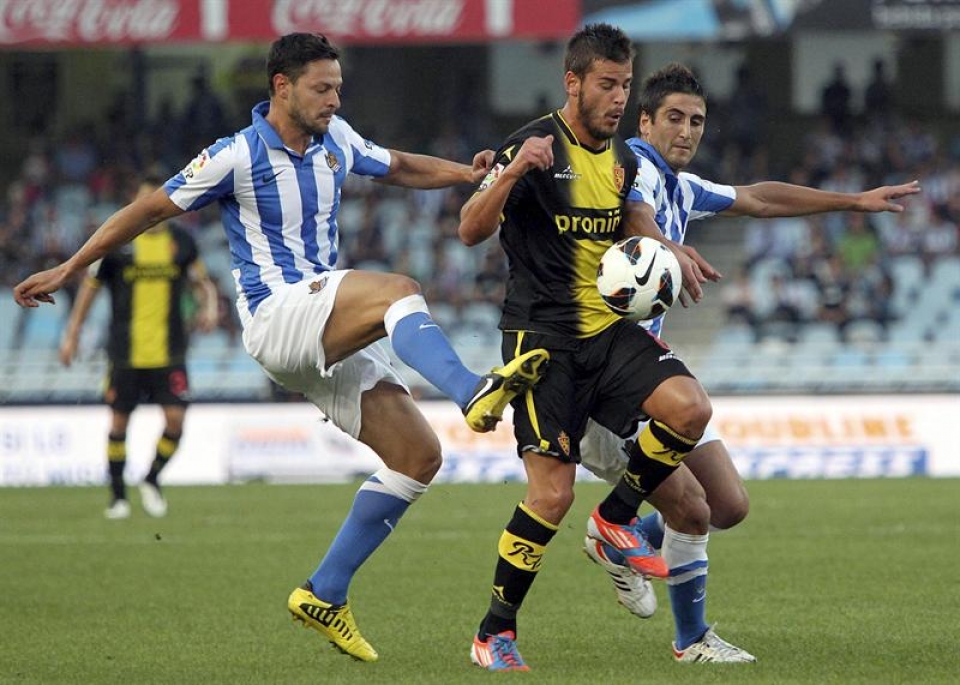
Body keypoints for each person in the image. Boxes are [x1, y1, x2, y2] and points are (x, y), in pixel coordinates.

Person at [14, 33, 549, 664]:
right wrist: (70, 267)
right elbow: (145, 211)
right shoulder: (234, 155)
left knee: (418, 456)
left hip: (321, 324)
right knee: (399, 289)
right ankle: (472, 391)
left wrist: (469, 173)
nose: (333, 99)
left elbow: (398, 166)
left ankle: (325, 591)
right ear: (281, 87)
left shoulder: (337, 140)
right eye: (322, 89)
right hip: (276, 317)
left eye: (338, 88)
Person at [578, 62, 921, 664]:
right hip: (606, 373)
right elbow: (635, 216)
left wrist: (851, 201)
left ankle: (615, 538)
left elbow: (760, 197)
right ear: (646, 121)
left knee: (728, 506)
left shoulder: (680, 185)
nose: (687, 131)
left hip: (650, 366)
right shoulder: (627, 165)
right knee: (690, 509)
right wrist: (669, 247)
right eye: (675, 119)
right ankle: (691, 641)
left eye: (698, 121)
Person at [457, 25, 721, 672]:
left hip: (607, 331)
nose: (617, 97)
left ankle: (616, 520)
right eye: (606, 84)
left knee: (688, 408)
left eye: (625, 85)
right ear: (572, 82)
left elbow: (633, 217)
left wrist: (669, 245)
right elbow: (470, 228)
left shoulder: (623, 160)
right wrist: (514, 168)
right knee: (549, 497)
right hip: (542, 339)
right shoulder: (535, 143)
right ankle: (494, 630)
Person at [59, 175, 219, 519]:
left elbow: (202, 282)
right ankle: (118, 497)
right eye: (145, 200)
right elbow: (89, 288)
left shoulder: (181, 242)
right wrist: (72, 332)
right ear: (136, 203)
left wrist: (209, 305)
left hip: (170, 351)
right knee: (118, 424)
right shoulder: (118, 243)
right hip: (125, 353)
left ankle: (151, 477)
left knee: (175, 420)